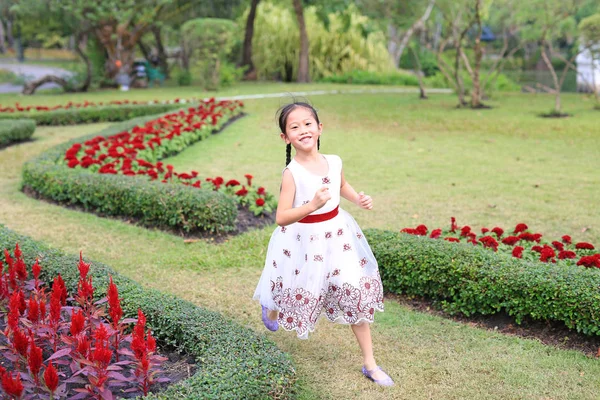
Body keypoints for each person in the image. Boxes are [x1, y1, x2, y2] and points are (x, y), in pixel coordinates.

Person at [253, 100, 394, 386]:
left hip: (338, 236)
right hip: (302, 241)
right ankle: (272, 306)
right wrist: (311, 204)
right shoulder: (291, 173)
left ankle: (370, 363)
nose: (303, 130)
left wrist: (358, 199)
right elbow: (282, 217)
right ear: (285, 137)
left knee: (352, 291)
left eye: (308, 123)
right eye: (294, 127)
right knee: (298, 288)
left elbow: (341, 185)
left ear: (319, 128)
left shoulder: (335, 160)